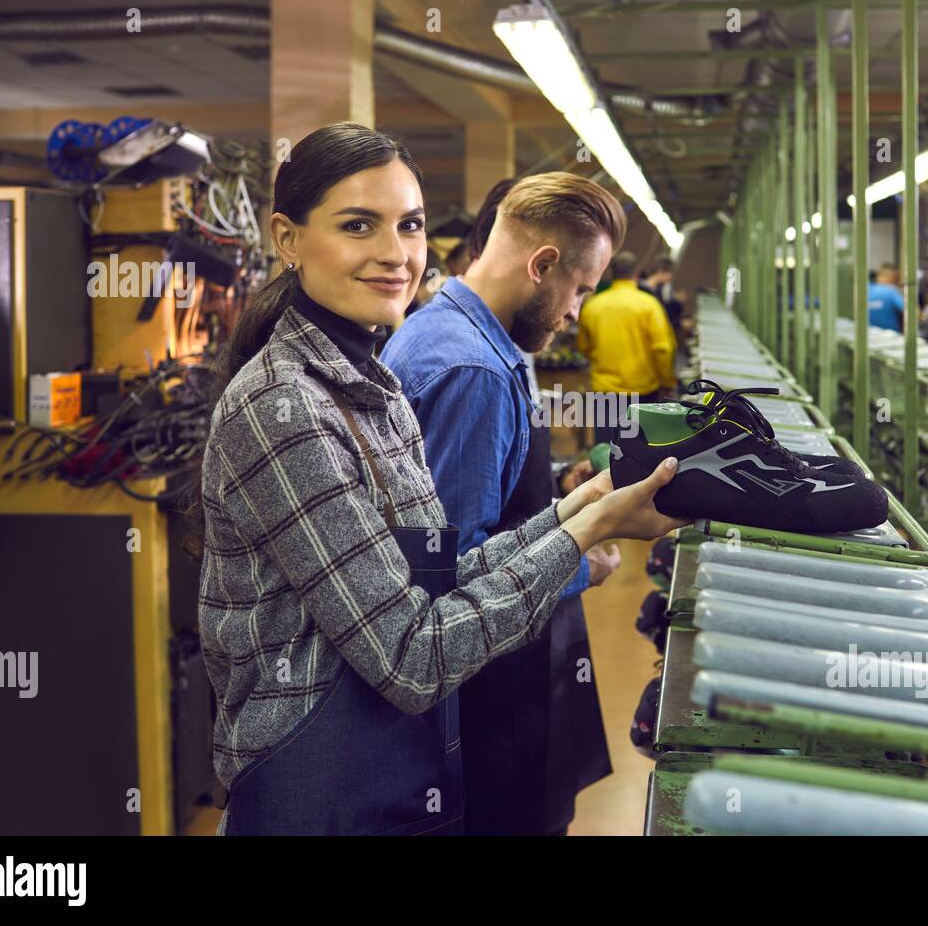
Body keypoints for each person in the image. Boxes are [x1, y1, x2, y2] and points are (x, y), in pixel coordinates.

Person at [194, 123, 686, 836]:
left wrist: (579, 509)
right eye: (358, 225)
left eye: (410, 225)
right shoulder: (283, 409)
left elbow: (436, 576)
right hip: (317, 793)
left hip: (391, 773)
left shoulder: (373, 386)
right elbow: (411, 653)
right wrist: (581, 536)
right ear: (288, 238)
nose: (396, 254)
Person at [381, 172, 625, 835]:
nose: (576, 312)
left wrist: (552, 484)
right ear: (542, 264)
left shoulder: (458, 332)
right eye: (579, 290)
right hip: (489, 693)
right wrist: (583, 563)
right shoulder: (474, 372)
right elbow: (451, 572)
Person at [577, 250, 677, 444]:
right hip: (644, 393)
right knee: (639, 454)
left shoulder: (593, 306)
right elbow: (663, 349)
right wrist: (667, 382)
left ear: (611, 273)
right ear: (637, 274)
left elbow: (584, 347)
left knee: (606, 453)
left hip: (606, 394)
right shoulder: (649, 305)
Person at [867, 264, 905, 331]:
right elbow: (912, 312)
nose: (897, 282)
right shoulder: (891, 291)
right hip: (891, 336)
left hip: (868, 335)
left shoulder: (865, 290)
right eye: (895, 279)